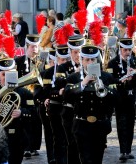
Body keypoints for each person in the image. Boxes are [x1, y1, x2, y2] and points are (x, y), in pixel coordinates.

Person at [64, 43, 116, 164]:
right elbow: (67, 95)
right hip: (82, 125)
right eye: (87, 59)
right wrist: (83, 83)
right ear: (82, 61)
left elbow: (116, 99)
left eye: (93, 59)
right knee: (86, 159)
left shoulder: (106, 77)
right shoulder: (74, 77)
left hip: (100, 125)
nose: (91, 62)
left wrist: (104, 86)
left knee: (98, 159)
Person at [106, 38, 136, 161]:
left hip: (132, 96)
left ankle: (129, 149)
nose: (128, 52)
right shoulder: (112, 63)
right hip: (119, 96)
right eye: (125, 50)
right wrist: (122, 79)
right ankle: (122, 150)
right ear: (120, 49)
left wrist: (133, 77)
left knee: (131, 123)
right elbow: (110, 80)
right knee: (121, 123)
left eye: (129, 50)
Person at [57, 35, 85, 164]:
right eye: (75, 52)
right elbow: (60, 86)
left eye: (80, 52)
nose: (78, 55)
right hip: (69, 111)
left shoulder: (89, 66)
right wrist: (76, 74)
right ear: (70, 52)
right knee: (72, 143)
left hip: (84, 111)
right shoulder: (63, 67)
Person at [14, 35, 42, 158]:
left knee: (37, 120)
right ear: (27, 47)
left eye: (36, 46)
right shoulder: (19, 61)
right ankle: (26, 146)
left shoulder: (41, 61)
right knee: (25, 121)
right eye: (32, 47)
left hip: (37, 93)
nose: (35, 49)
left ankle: (35, 146)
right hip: (23, 95)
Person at [42, 46, 70, 164]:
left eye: (66, 59)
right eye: (62, 60)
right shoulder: (48, 72)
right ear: (57, 59)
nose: (64, 62)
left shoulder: (71, 70)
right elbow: (46, 91)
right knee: (58, 138)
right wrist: (56, 93)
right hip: (56, 108)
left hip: (69, 109)